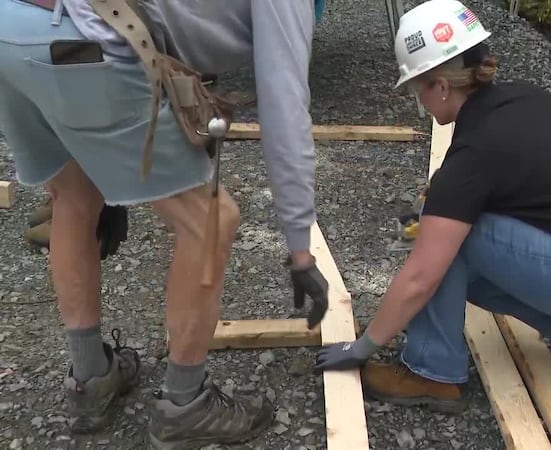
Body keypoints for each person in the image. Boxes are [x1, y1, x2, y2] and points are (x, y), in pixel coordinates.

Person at [0, 0, 329, 448]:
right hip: (87, 37)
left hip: (11, 26)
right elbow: (285, 108)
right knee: (210, 221)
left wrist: (108, 172)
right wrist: (299, 247)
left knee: (74, 196)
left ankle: (90, 378)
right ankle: (184, 406)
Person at [314, 0, 551, 412]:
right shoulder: (521, 101)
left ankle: (430, 373)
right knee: (469, 270)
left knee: (444, 246)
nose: (419, 100)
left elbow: (421, 277)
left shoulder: (475, 153)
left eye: (417, 88)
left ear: (442, 86)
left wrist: (363, 346)